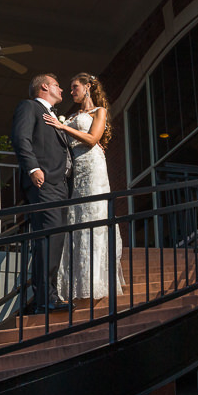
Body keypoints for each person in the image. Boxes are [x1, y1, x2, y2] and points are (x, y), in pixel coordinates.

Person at [43, 73, 124, 304]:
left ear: (88, 87)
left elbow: (92, 138)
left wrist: (63, 126)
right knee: (75, 220)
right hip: (76, 171)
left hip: (94, 167)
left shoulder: (100, 111)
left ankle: (96, 281)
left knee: (94, 215)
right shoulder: (72, 116)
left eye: (75, 86)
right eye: (69, 88)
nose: (71, 92)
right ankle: (76, 282)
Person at [11, 73, 73, 314]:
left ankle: (46, 296)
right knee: (49, 238)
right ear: (45, 86)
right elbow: (20, 138)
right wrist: (33, 168)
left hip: (60, 186)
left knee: (54, 238)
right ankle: (46, 298)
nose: (62, 90)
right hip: (43, 183)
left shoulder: (55, 116)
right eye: (58, 85)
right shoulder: (29, 107)